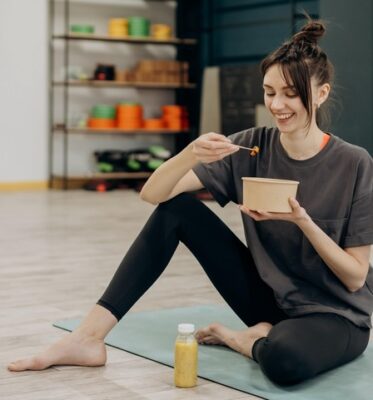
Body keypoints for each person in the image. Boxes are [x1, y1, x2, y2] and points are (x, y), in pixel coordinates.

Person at [8, 19, 373, 386]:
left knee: (284, 362)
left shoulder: (355, 163)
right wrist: (189, 153)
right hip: (273, 301)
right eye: (269, 91)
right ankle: (87, 338)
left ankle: (245, 340)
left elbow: (355, 277)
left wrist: (303, 222)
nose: (277, 104)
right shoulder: (252, 146)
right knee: (178, 210)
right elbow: (153, 195)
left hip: (336, 314)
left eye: (290, 94)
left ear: (321, 93)